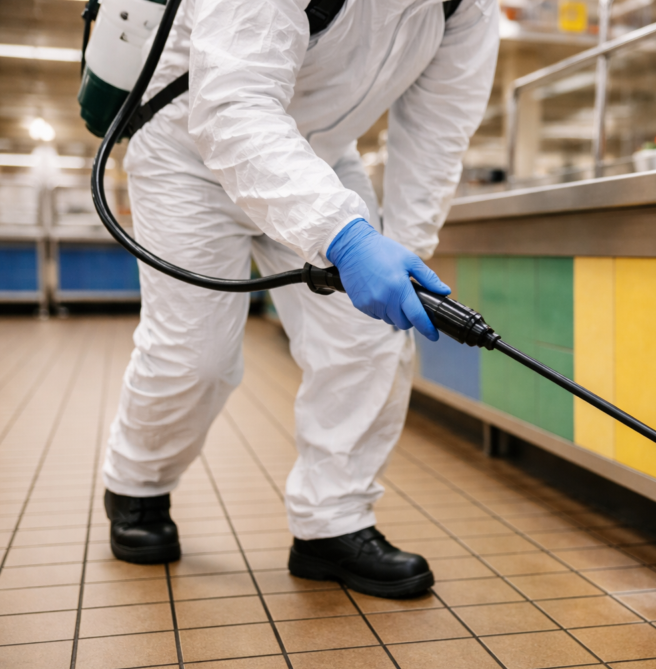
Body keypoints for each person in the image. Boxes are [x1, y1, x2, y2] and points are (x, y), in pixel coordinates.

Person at [101, 0, 499, 599]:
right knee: (195, 357)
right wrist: (345, 234)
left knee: (369, 340)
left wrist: (402, 253)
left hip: (321, 158)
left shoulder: (467, 6)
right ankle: (137, 481)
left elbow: (438, 129)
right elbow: (233, 106)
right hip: (191, 148)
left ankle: (332, 523)